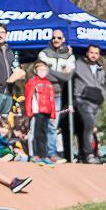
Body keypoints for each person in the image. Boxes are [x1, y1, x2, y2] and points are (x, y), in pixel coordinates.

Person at [38, 29, 75, 162]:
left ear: (63, 39)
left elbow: (67, 76)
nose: (56, 40)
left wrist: (51, 71)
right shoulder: (44, 53)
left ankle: (52, 153)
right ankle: (39, 153)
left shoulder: (69, 56)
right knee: (40, 123)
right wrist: (59, 73)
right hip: (43, 92)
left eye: (59, 38)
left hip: (58, 94)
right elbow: (42, 73)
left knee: (53, 125)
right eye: (54, 38)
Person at [72, 45, 105, 164]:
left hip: (97, 102)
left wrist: (102, 97)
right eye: (91, 52)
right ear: (87, 53)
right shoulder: (78, 64)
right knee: (89, 126)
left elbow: (101, 84)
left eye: (96, 53)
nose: (94, 55)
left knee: (91, 128)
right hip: (83, 100)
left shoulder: (100, 68)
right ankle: (89, 153)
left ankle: (90, 153)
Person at [24, 61, 57, 164]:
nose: (42, 71)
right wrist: (29, 111)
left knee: (44, 134)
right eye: (39, 69)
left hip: (46, 112)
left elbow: (52, 99)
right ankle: (34, 154)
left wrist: (53, 113)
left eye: (44, 69)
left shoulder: (49, 84)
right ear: (35, 70)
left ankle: (43, 155)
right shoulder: (32, 82)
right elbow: (28, 97)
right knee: (35, 133)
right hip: (36, 112)